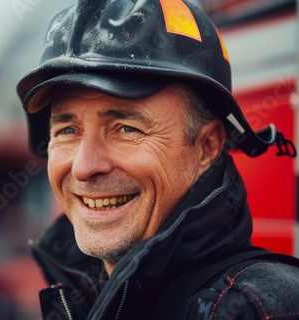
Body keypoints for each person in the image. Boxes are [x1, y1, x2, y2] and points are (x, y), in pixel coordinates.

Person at [16, 0, 299, 319]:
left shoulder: (260, 309)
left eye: (126, 128)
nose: (84, 167)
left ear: (207, 146)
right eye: (67, 130)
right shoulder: (83, 293)